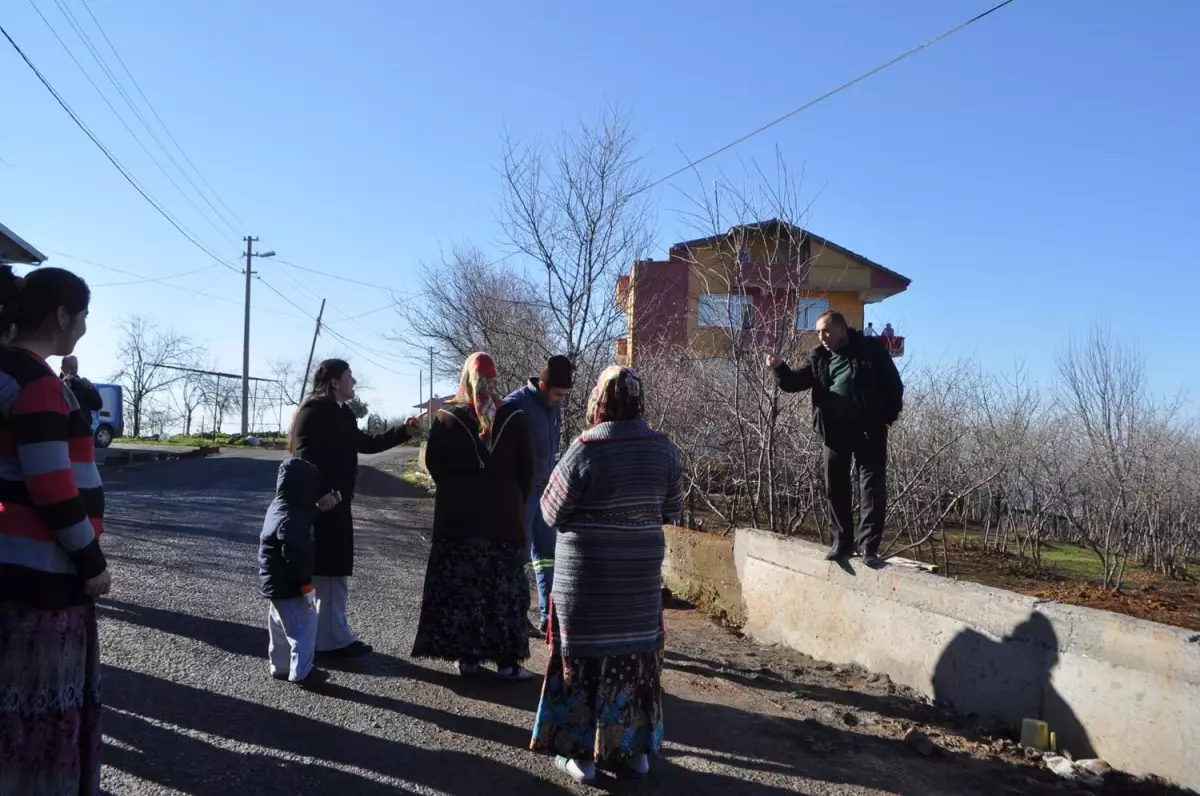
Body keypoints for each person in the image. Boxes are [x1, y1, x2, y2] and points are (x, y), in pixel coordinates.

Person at [531, 366, 684, 784]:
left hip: (587, 583)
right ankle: (635, 754)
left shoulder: (586, 447)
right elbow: (672, 509)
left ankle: (580, 758)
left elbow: (550, 512)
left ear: (600, 399)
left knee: (582, 665)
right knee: (634, 664)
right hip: (638, 584)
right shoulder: (664, 449)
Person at [0, 265, 111, 796]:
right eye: (83, 315)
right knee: (39, 709)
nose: (84, 327)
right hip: (42, 579)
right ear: (63, 315)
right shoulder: (36, 385)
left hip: (10, 566)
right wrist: (92, 563)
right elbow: (53, 489)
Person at [411, 352, 535, 680]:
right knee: (502, 592)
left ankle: (468, 659)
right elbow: (527, 470)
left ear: (464, 378)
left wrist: (459, 489)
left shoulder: (446, 418)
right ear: (493, 379)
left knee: (464, 591)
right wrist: (512, 499)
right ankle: (507, 663)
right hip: (503, 521)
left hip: (458, 521)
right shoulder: (514, 416)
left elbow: (435, 466)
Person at [289, 359, 419, 659]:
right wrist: (320, 493)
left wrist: (404, 431)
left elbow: (368, 444)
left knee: (333, 571)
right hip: (322, 506)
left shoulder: (343, 413)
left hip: (338, 503)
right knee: (329, 571)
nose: (354, 381)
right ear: (335, 381)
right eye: (350, 376)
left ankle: (325, 637)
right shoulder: (313, 411)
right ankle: (331, 640)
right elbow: (302, 457)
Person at [766, 309, 903, 567]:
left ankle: (868, 547)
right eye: (818, 332)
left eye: (826, 331)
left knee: (871, 489)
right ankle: (842, 543)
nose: (822, 337)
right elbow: (795, 382)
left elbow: (894, 385)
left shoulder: (870, 350)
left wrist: (886, 417)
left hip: (868, 430)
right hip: (834, 430)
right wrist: (779, 368)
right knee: (835, 487)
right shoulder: (820, 357)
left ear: (841, 329)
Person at [258, 456, 343, 687]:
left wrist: (319, 508)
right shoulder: (291, 519)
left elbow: (298, 519)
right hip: (290, 585)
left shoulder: (280, 506)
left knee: (279, 626)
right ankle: (303, 672)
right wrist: (305, 584)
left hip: (274, 583)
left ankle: (280, 666)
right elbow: (296, 555)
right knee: (303, 627)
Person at [504, 354, 573, 635]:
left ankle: (549, 616)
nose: (561, 401)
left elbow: (552, 450)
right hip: (520, 493)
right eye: (558, 394)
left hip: (546, 493)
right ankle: (517, 616)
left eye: (564, 395)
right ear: (543, 385)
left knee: (547, 555)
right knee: (519, 556)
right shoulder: (514, 405)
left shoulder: (553, 408)